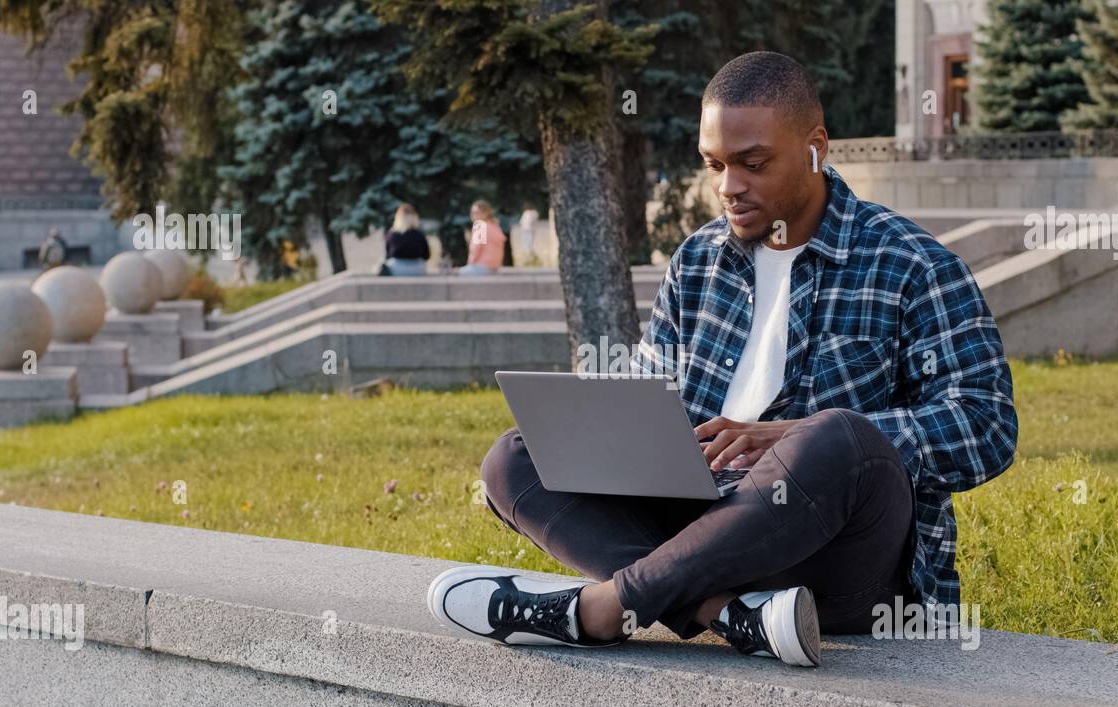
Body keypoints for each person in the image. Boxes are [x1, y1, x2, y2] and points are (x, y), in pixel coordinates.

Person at [429, 52, 1018, 667]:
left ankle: (601, 610)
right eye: (714, 164)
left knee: (839, 438)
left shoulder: (913, 263)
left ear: (816, 147)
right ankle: (730, 614)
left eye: (752, 164)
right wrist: (602, 425)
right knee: (514, 457)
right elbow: (650, 394)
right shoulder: (698, 260)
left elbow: (988, 427)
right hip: (699, 529)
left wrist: (792, 437)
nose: (729, 186)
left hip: (838, 560)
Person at [459, 200, 506, 275]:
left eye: (476, 212)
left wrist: (470, 265)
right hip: (495, 268)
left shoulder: (480, 226)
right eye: (472, 212)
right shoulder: (495, 227)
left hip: (481, 267)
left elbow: (475, 251)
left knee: (456, 275)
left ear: (485, 213)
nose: (472, 214)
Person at [383, 204, 429, 276]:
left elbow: (388, 255)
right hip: (417, 269)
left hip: (396, 269)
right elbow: (426, 255)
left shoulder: (392, 234)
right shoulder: (419, 234)